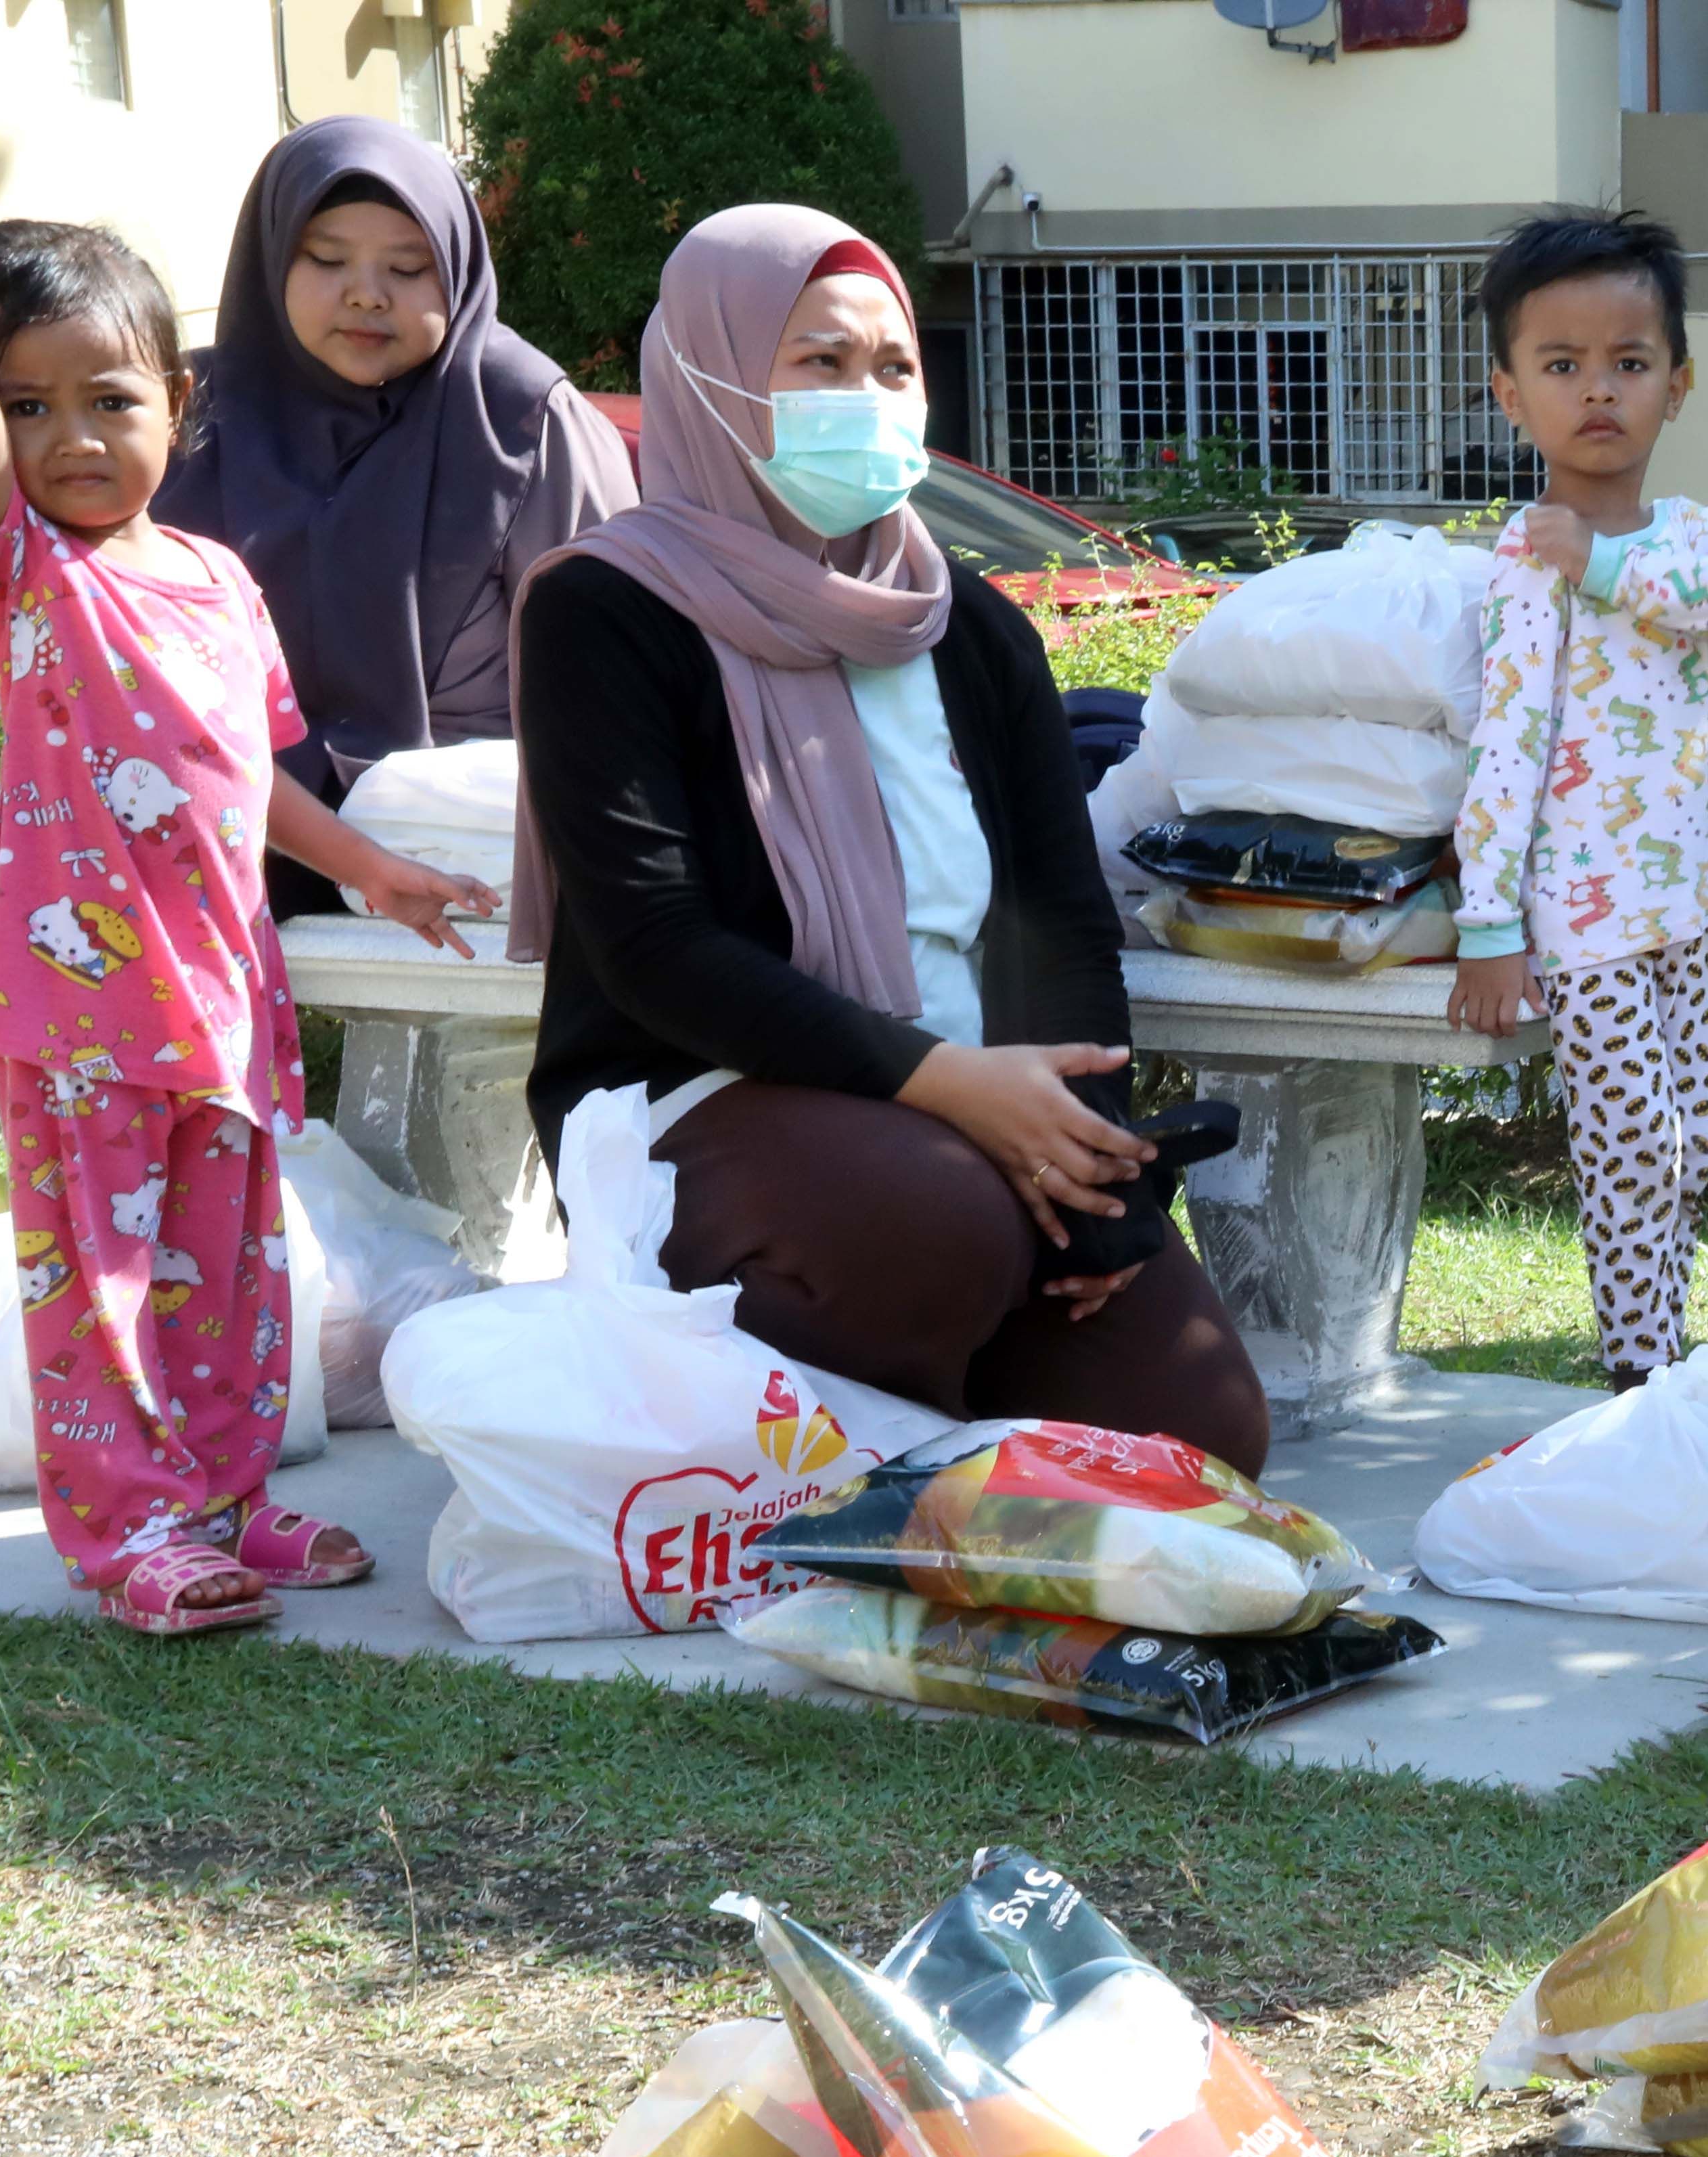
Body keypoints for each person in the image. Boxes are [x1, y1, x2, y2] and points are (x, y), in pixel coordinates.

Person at [511, 204, 1267, 1459]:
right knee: (941, 1222)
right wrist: (952, 1092)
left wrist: (1093, 1164)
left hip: (984, 1104)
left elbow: (1062, 920)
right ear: (708, 370)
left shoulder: (965, 626)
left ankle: (930, 1407)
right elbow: (658, 948)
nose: (866, 398)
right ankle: (841, 1466)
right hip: (706, 1093)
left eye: (893, 367)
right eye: (819, 364)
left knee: (1199, 1432)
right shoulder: (607, 609)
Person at [0, 221, 495, 1634]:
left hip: (223, 997)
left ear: (181, 404)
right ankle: (127, 1533)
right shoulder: (22, 574)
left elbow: (249, 773)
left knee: (229, 1275)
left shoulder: (220, 582)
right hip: (77, 1004)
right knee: (95, 1283)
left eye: (113, 400)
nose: (73, 438)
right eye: (29, 405)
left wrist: (372, 870)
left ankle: (219, 1502)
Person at [0, 120, 633, 1149]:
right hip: (173, 776)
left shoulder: (523, 417)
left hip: (420, 803)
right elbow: (41, 589)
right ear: (272, 262)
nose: (369, 294)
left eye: (409, 268)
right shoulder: (175, 404)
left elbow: (606, 653)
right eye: (327, 261)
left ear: (458, 270)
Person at [1441, 211, 1708, 1389]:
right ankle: (1637, 1373)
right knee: (1629, 1143)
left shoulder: (1691, 543)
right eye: (1562, 366)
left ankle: (1664, 1348)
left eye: (1629, 364)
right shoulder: (1529, 563)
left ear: (1678, 387)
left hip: (1677, 905)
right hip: (1583, 920)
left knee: (1689, 1139)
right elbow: (1506, 747)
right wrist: (1489, 928)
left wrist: (1610, 564)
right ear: (1509, 395)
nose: (1599, 392)